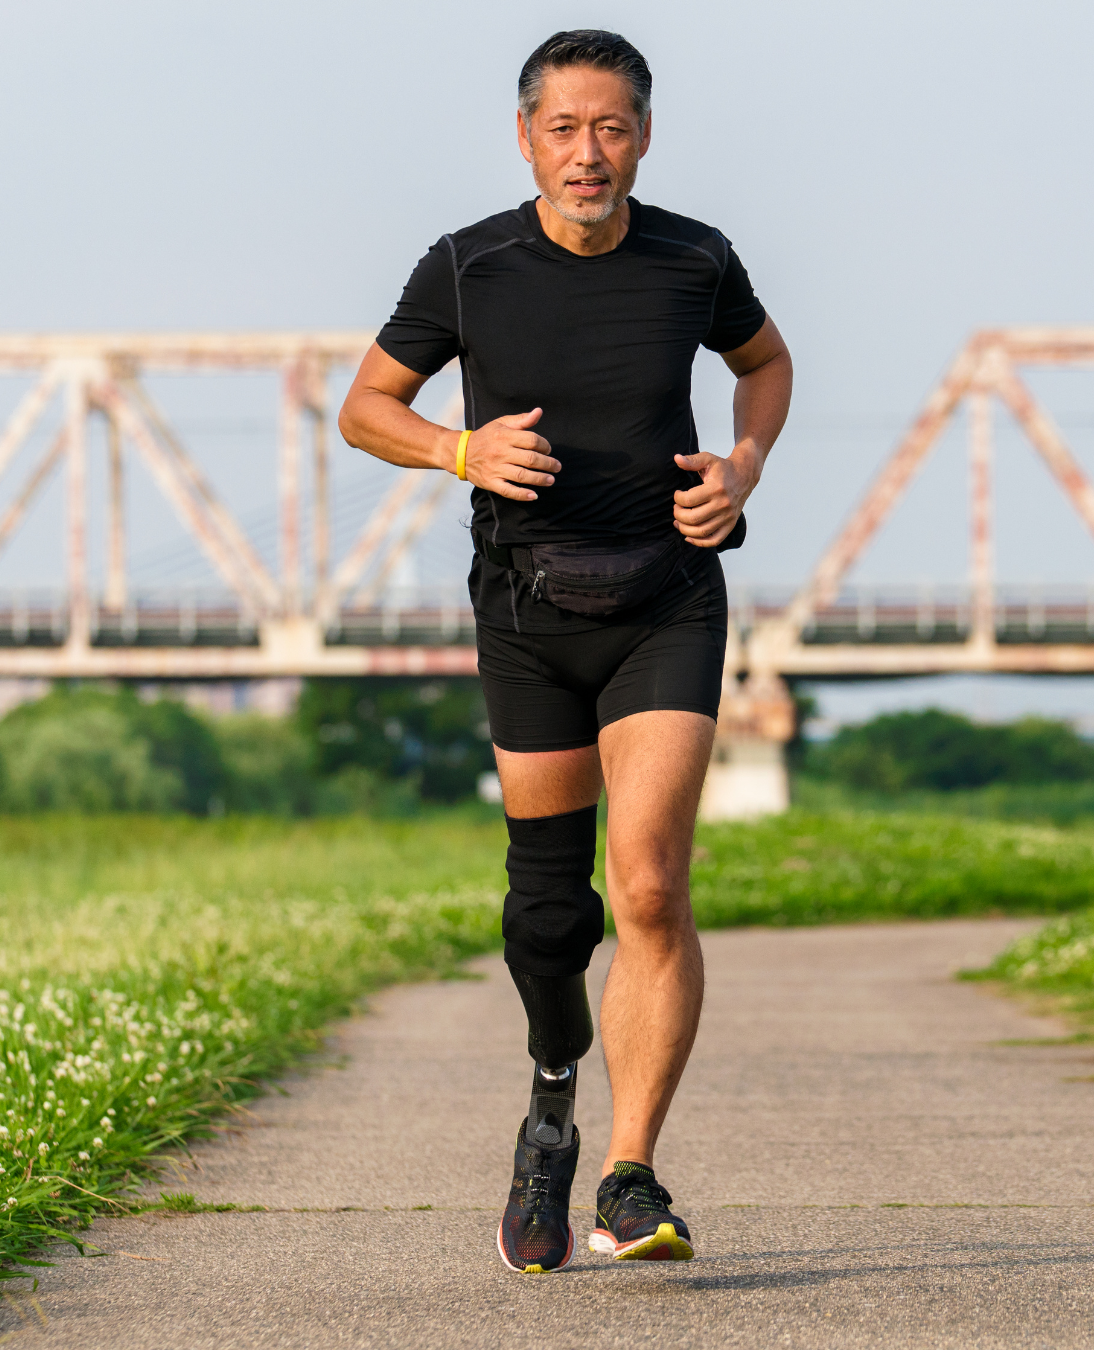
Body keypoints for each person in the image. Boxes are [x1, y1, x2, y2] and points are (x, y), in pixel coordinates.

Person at [337, 28, 792, 1273]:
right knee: (550, 912)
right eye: (564, 128)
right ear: (527, 136)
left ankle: (629, 1177)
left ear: (644, 136)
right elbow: (364, 408)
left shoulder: (696, 259)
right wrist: (458, 451)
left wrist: (740, 468)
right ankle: (551, 1106)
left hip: (668, 599)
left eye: (612, 128)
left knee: (645, 881)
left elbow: (766, 367)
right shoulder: (469, 266)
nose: (588, 153)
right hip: (529, 616)